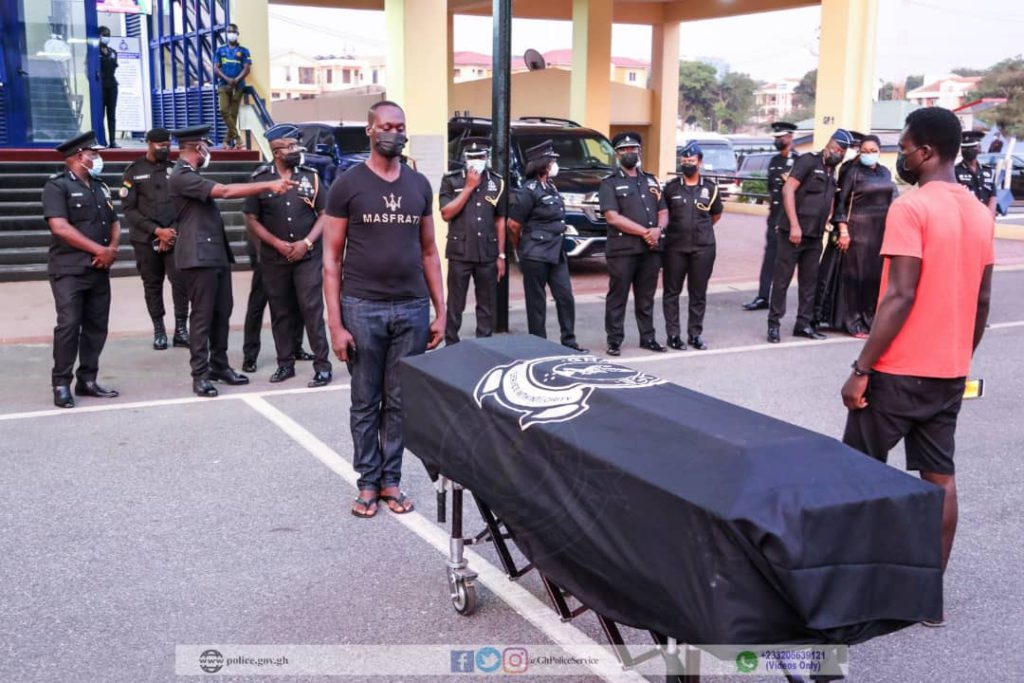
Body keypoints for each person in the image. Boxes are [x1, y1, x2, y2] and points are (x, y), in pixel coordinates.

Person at [842, 108, 995, 612]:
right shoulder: (978, 211)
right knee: (940, 479)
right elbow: (982, 301)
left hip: (897, 371)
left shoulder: (910, 208)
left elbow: (899, 295)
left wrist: (862, 368)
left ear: (926, 152)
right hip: (949, 372)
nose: (899, 156)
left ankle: (855, 590)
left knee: (857, 474)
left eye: (904, 148)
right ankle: (928, 595)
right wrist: (958, 357)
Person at [322, 101, 446, 518]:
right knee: (364, 401)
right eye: (387, 126)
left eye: (401, 126)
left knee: (399, 401)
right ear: (370, 130)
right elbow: (330, 260)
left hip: (411, 308)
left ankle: (390, 481)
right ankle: (367, 483)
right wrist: (335, 323)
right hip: (362, 307)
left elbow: (430, 252)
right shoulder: (348, 184)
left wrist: (440, 310)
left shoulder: (419, 185)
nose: (395, 132)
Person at [168, 124, 295, 397]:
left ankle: (219, 365)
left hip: (214, 255)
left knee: (221, 312)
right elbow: (225, 192)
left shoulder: (191, 174)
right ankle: (200, 374)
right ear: (197, 147)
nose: (208, 151)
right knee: (202, 317)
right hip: (197, 257)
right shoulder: (181, 175)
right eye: (206, 146)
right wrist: (269, 184)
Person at [243, 124, 332, 388]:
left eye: (296, 145)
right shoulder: (260, 179)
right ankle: (285, 365)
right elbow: (251, 218)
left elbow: (325, 214)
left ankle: (322, 366)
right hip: (274, 258)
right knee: (280, 312)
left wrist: (306, 242)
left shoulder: (311, 177)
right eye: (291, 146)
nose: (296, 150)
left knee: (312, 310)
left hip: (308, 256)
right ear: (277, 151)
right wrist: (277, 244)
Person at [42, 131, 120, 408]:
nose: (98, 158)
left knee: (97, 326)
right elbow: (60, 227)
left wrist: (110, 249)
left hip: (99, 268)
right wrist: (98, 250)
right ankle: (61, 383)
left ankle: (87, 379)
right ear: (79, 156)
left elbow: (114, 221)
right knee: (69, 325)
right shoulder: (57, 187)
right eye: (94, 153)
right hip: (69, 269)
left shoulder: (101, 186)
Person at [767, 128, 852, 343]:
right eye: (838, 149)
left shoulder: (833, 170)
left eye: (843, 152)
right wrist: (794, 225)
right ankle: (774, 324)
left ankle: (803, 324)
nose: (839, 154)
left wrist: (827, 219)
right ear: (830, 146)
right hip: (793, 233)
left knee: (809, 282)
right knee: (782, 280)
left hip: (814, 236)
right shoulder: (808, 161)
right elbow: (788, 191)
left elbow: (829, 197)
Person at [508, 140, 587, 353]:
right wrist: (521, 248)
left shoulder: (550, 186)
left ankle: (569, 341)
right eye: (552, 161)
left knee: (565, 296)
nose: (554, 165)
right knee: (536, 302)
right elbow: (514, 224)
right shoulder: (529, 190)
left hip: (556, 250)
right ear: (543, 164)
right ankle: (538, 344)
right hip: (535, 252)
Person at [814, 135, 897, 337]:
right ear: (859, 151)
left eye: (872, 150)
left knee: (872, 279)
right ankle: (854, 322)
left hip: (878, 234)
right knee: (855, 279)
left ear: (879, 150)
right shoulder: (852, 171)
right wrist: (843, 231)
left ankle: (870, 320)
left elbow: (893, 200)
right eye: (865, 151)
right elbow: (841, 203)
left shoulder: (885, 172)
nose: (869, 154)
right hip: (855, 233)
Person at [597, 131, 668, 356]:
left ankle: (648, 337)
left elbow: (663, 209)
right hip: (623, 250)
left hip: (650, 249)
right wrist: (646, 232)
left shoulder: (650, 179)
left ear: (639, 151)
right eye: (624, 150)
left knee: (646, 296)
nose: (629, 153)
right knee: (618, 296)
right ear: (617, 154)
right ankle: (614, 340)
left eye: (633, 149)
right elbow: (612, 217)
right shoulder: (610, 183)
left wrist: (659, 229)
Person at [121, 127, 189, 350]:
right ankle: (159, 330)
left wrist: (170, 231)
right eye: (161, 145)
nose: (165, 149)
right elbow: (129, 210)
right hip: (145, 239)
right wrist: (156, 231)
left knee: (180, 283)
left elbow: (184, 205)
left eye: (168, 145)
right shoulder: (134, 171)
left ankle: (181, 330)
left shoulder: (175, 169)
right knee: (152, 284)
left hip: (174, 236)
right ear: (149, 144)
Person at [440, 136, 506, 345]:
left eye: (481, 156)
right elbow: (446, 213)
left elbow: (500, 220)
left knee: (486, 304)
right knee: (456, 303)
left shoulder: (496, 182)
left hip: (487, 252)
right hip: (460, 252)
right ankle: (451, 343)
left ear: (487, 157)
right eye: (472, 156)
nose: (477, 160)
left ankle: (484, 344)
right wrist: (468, 187)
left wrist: (501, 255)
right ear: (465, 158)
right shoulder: (451, 180)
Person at [662, 141, 724, 350]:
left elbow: (715, 214)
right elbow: (664, 214)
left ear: (700, 162)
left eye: (691, 161)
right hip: (675, 247)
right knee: (672, 292)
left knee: (698, 293)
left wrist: (700, 229)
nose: (688, 164)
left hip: (703, 247)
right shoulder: (670, 188)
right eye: (684, 160)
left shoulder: (710, 188)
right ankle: (673, 335)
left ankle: (695, 334)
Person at [743, 121, 798, 311]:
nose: (778, 140)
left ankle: (778, 299)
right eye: (776, 137)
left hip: (789, 219)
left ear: (790, 137)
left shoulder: (797, 162)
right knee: (769, 257)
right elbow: (771, 190)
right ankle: (763, 296)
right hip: (774, 217)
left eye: (781, 137)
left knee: (785, 260)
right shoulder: (774, 161)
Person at [213, 24, 251, 149]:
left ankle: (226, 141)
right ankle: (238, 138)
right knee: (223, 110)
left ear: (237, 33)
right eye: (229, 32)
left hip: (238, 86)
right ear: (226, 34)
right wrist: (228, 79)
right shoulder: (220, 50)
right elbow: (216, 69)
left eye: (233, 32)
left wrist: (236, 80)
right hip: (224, 85)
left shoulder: (244, 50)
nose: (231, 34)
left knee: (233, 114)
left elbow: (246, 69)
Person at [955, 131, 998, 216]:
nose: (968, 151)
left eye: (972, 148)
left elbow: (993, 195)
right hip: (967, 216)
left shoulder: (988, 171)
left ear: (979, 149)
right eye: (965, 149)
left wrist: (990, 214)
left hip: (986, 216)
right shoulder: (955, 171)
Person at [98, 27, 118, 148]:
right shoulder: (94, 53)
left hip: (112, 85)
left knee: (112, 114)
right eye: (104, 35)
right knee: (100, 115)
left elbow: (114, 67)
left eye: (108, 35)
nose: (106, 37)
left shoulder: (113, 52)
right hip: (100, 86)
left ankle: (113, 141)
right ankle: (102, 140)